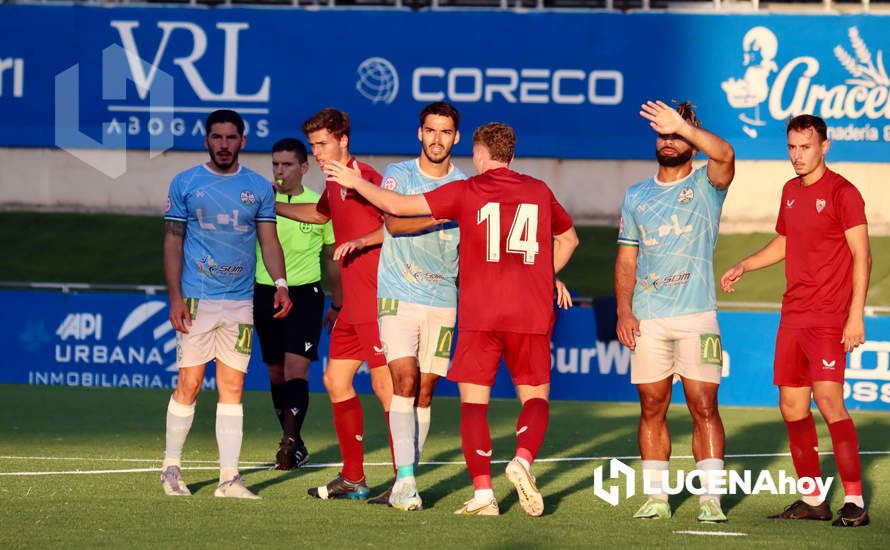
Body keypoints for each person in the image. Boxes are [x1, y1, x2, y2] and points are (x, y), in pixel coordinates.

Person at [324, 121, 579, 518]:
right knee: (536, 398)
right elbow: (569, 239)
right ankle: (523, 461)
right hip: (529, 311)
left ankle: (482, 497)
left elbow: (399, 208)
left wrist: (356, 183)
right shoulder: (539, 190)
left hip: (480, 313)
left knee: (473, 405)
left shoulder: (467, 190)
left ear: (478, 153)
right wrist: (543, 277)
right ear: (512, 155)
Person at [721, 114, 871, 527]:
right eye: (791, 147)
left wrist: (854, 314)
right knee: (791, 408)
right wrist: (745, 265)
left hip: (828, 317)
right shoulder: (789, 191)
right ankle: (813, 500)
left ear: (825, 146)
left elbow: (863, 254)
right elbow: (786, 241)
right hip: (793, 316)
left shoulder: (844, 192)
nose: (797, 156)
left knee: (828, 402)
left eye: (805, 147)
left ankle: (855, 502)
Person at [160, 109, 292, 499]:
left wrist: (281, 284)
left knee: (233, 386)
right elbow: (172, 241)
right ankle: (171, 468)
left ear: (242, 141)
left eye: (230, 137)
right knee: (191, 383)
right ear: (206, 140)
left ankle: (229, 479)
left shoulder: (258, 187)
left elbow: (269, 240)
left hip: (240, 303)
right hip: (197, 300)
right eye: (216, 137)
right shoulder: (185, 182)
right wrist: (174, 297)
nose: (223, 144)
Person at [615, 100, 735, 522]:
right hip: (648, 318)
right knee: (651, 406)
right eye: (663, 134)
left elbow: (726, 154)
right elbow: (627, 259)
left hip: (697, 314)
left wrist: (684, 126)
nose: (668, 141)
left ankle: (710, 498)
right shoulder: (636, 195)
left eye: (677, 135)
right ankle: (656, 497)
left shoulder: (708, 184)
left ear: (691, 140)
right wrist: (624, 311)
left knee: (704, 406)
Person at [275, 108, 394, 502]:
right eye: (313, 145)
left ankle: (403, 478)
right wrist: (272, 207)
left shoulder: (368, 179)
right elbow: (318, 213)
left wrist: (362, 241)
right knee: (335, 381)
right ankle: (354, 478)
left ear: (344, 140)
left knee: (385, 387)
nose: (318, 152)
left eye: (323, 143)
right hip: (351, 307)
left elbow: (396, 221)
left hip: (377, 301)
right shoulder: (333, 183)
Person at [376, 101, 466, 511]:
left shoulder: (467, 185)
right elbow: (393, 222)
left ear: (456, 138)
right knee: (405, 381)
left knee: (426, 392)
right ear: (419, 133)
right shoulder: (399, 174)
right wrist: (438, 216)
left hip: (443, 300)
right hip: (398, 295)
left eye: (445, 132)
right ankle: (408, 481)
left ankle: (404, 476)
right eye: (430, 130)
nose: (437, 139)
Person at [254, 137, 341, 470]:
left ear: (304, 167)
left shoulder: (319, 206)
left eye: (287, 164)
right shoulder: (260, 202)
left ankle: (288, 444)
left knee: (296, 369)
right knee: (276, 372)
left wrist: (338, 301)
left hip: (305, 295)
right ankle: (296, 439)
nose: (280, 171)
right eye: (275, 164)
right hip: (264, 293)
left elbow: (332, 257)